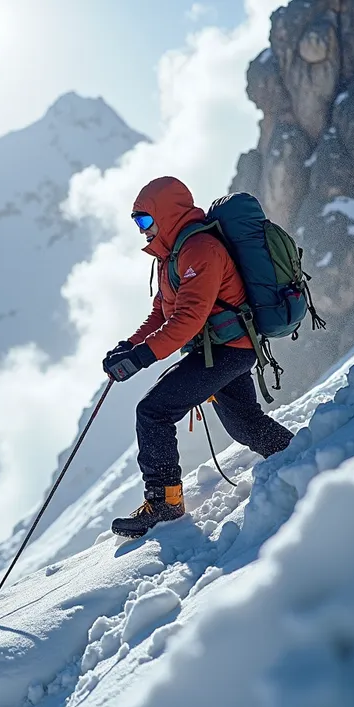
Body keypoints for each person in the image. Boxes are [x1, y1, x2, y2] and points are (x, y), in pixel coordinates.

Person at [102, 176, 294, 538]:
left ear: (166, 213)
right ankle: (299, 453)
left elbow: (187, 319)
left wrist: (142, 357)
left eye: (145, 220)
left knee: (153, 411)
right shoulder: (171, 255)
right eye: (137, 222)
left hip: (228, 350)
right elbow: (162, 311)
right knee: (244, 425)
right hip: (221, 348)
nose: (142, 229)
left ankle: (165, 503)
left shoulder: (200, 250)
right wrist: (128, 346)